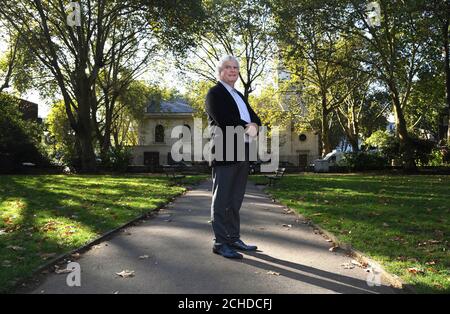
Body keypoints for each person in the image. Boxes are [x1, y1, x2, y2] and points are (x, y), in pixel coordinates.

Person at [205, 55, 262, 259]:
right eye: (228, 67)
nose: (233, 70)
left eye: (236, 67)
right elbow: (224, 120)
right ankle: (220, 242)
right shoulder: (215, 93)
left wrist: (254, 126)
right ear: (220, 71)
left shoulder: (239, 95)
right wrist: (248, 127)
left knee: (235, 199)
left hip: (244, 151)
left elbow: (256, 118)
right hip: (225, 151)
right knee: (221, 199)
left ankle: (233, 238)